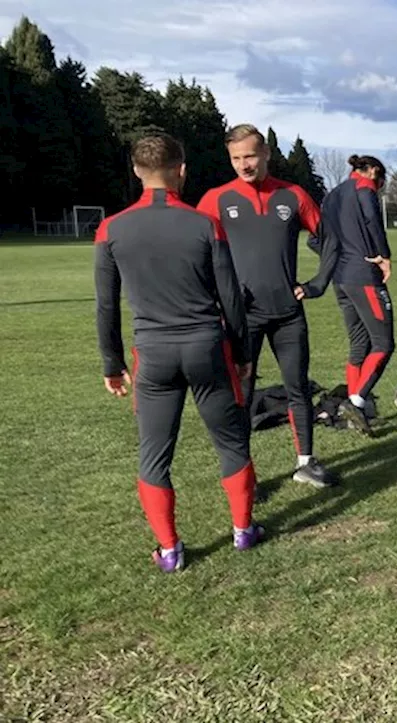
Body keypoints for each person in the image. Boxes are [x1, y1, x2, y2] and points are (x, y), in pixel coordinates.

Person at [95, 132, 264, 572]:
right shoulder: (205, 223)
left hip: (153, 355)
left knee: (154, 453)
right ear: (182, 169)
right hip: (207, 348)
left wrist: (112, 365)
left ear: (136, 172)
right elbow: (230, 296)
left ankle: (170, 550)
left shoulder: (110, 228)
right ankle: (243, 530)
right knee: (230, 442)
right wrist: (242, 351)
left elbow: (107, 305)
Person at [197, 123, 338, 489]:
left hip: (288, 314)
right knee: (240, 395)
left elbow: (330, 241)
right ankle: (246, 475)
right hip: (242, 317)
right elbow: (194, 250)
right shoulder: (216, 199)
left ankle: (305, 462)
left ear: (266, 155)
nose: (244, 164)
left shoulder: (292, 195)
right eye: (236, 158)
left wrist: (317, 284)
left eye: (250, 156)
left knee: (298, 388)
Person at [301, 154, 393, 437]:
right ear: (373, 172)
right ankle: (355, 401)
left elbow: (313, 238)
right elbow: (371, 219)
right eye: (381, 182)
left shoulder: (331, 196)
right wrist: (382, 256)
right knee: (384, 344)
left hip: (340, 280)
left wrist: (337, 259)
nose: (378, 188)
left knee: (359, 344)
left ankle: (355, 411)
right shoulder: (364, 189)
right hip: (363, 277)